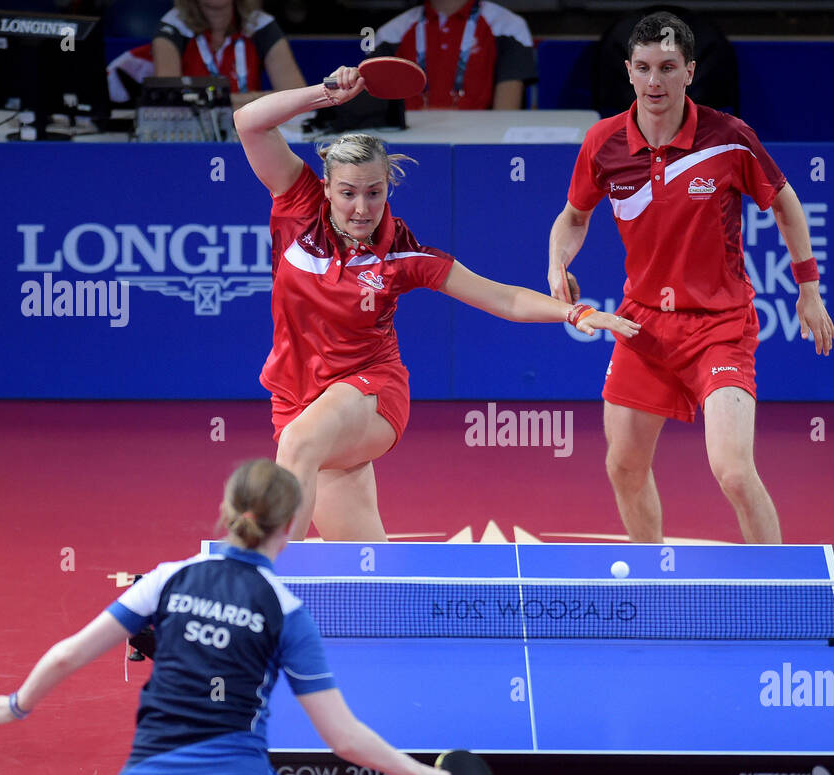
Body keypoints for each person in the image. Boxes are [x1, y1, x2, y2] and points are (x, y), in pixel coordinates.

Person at [547, 10, 834, 775]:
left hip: (720, 328)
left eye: (669, 65)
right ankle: (653, 588)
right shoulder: (604, 142)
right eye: (643, 66)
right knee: (621, 463)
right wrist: (558, 268)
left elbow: (784, 206)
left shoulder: (731, 139)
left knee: (730, 466)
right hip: (639, 328)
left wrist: (809, 289)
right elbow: (572, 220)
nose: (656, 79)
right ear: (629, 72)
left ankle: (781, 606)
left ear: (690, 70)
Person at [0, 459, 464, 775]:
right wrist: (421, 773)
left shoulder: (166, 578)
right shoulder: (286, 611)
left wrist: (15, 704)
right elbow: (344, 739)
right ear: (289, 530)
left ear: (227, 510)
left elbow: (66, 654)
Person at [233, 68, 638, 541]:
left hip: (369, 391)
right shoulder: (297, 204)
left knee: (301, 444)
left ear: (389, 187)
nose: (362, 207)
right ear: (326, 188)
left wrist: (574, 312)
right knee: (365, 572)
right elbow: (248, 122)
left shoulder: (405, 256)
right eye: (347, 193)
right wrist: (325, 94)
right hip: (295, 395)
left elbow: (501, 296)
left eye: (374, 192)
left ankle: (266, 589)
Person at [370, 0, 538, 110]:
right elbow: (378, 119)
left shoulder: (508, 27)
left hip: (479, 144)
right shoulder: (390, 34)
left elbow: (505, 118)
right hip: (408, 147)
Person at [143, 0, 307, 106]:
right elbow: (167, 100)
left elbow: (296, 96)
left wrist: (215, 101)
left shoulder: (260, 24)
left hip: (251, 129)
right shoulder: (172, 27)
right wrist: (258, 99)